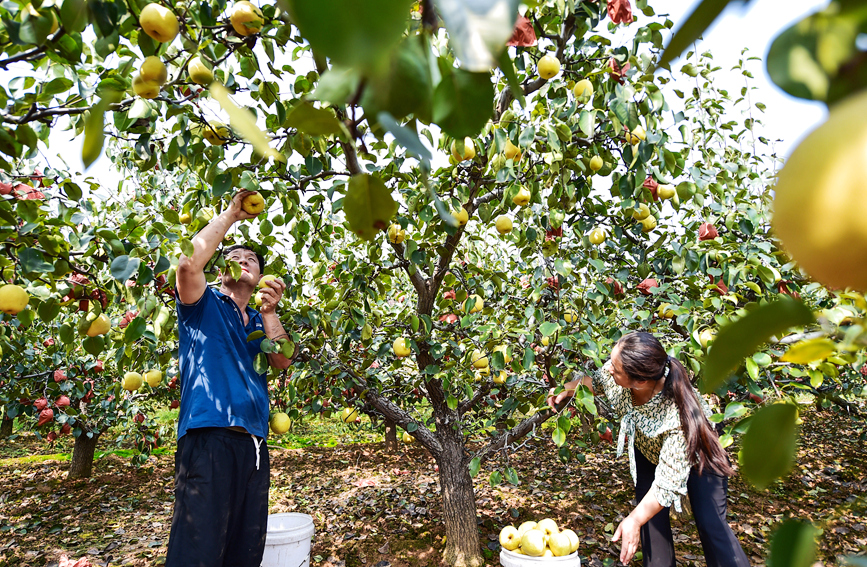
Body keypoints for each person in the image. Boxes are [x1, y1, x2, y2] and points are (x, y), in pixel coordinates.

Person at [165, 190, 293, 567]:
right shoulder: (201, 305)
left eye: (250, 259)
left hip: (254, 446)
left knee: (245, 549)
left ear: (259, 275)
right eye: (233, 258)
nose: (241, 261)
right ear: (222, 271)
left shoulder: (258, 321)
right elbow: (188, 265)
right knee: (198, 550)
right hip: (208, 438)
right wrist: (231, 215)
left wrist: (270, 312)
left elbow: (283, 360)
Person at [548, 331, 750, 567]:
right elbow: (597, 380)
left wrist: (632, 520)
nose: (609, 369)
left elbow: (666, 483)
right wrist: (569, 388)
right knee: (651, 526)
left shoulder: (678, 416)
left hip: (699, 456)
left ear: (640, 381)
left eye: (615, 368)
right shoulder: (621, 378)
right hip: (648, 448)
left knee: (711, 524)